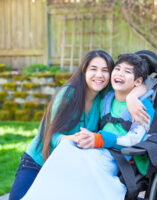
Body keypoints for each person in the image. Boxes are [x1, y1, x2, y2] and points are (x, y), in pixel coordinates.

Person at [9, 50, 149, 200]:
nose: (99, 75)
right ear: (84, 71)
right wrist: (74, 138)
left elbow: (141, 85)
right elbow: (50, 136)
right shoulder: (68, 94)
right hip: (38, 161)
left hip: (68, 163)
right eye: (93, 69)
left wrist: (132, 97)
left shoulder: (105, 97)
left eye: (105, 70)